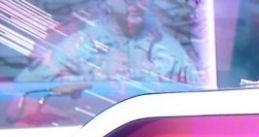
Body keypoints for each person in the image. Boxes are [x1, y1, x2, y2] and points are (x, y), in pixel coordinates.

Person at [17, 0, 202, 85]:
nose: (137, 3)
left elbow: (197, 93)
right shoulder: (80, 44)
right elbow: (23, 86)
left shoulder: (167, 47)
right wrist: (76, 84)